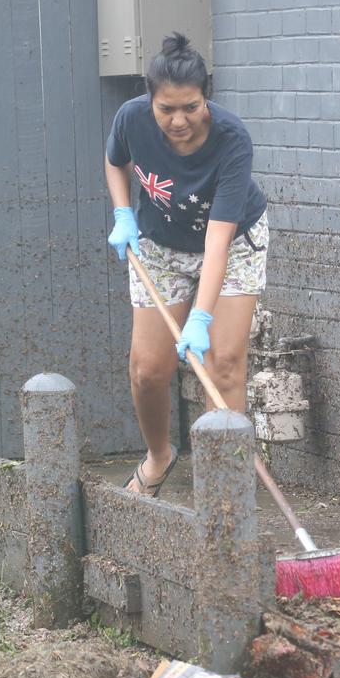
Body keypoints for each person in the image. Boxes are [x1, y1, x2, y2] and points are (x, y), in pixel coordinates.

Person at [104, 33, 268, 497]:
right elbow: (115, 160)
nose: (179, 120)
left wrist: (200, 318)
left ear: (206, 98)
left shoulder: (232, 139)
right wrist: (122, 212)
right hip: (159, 244)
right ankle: (159, 456)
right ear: (149, 101)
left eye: (191, 107)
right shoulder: (131, 117)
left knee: (225, 364)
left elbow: (217, 244)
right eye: (167, 109)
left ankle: (227, 492)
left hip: (233, 243)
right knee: (148, 370)